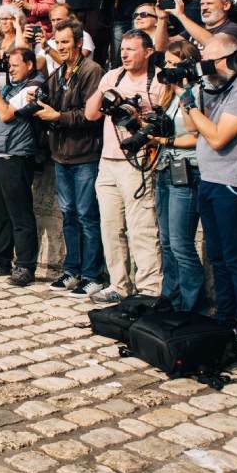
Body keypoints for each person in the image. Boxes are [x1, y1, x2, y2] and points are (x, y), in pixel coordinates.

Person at [181, 33, 237, 360]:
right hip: (211, 180)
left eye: (211, 61)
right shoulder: (214, 87)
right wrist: (190, 96)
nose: (206, 68)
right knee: (217, 258)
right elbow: (193, 130)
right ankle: (225, 320)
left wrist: (189, 103)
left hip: (234, 183)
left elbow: (217, 137)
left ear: (232, 59)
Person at [84, 29, 164, 304]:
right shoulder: (112, 76)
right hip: (108, 161)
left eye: (132, 49)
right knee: (110, 226)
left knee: (141, 228)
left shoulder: (157, 82)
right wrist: (107, 93)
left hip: (139, 162)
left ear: (148, 52)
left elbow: (161, 124)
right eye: (123, 49)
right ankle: (119, 284)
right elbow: (90, 114)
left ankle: (149, 289)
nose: (125, 54)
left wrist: (135, 115)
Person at [32, 21, 105, 296]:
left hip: (85, 154)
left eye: (65, 42)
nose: (60, 47)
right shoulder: (60, 72)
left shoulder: (92, 71)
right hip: (61, 154)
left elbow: (90, 115)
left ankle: (92, 274)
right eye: (57, 42)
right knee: (69, 215)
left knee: (87, 216)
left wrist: (57, 117)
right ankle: (72, 270)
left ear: (77, 42)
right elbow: (49, 102)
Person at [0, 47, 45, 285]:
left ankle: (25, 266)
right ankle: (0, 259)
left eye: (16, 65)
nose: (12, 69)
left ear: (29, 65)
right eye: (10, 65)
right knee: (1, 214)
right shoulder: (8, 85)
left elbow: (6, 114)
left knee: (20, 214)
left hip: (15, 157)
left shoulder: (32, 88)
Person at [151, 40, 206, 313]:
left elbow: (197, 135)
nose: (168, 70)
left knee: (182, 244)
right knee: (167, 242)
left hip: (187, 169)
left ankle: (191, 306)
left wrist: (166, 141)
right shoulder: (168, 94)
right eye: (167, 64)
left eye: (174, 65)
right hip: (164, 168)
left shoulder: (195, 92)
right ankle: (169, 299)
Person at [157, 0, 237, 51]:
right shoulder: (195, 29)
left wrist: (180, 15)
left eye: (209, 3)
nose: (204, 8)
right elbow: (162, 47)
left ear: (226, 5)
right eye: (202, 4)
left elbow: (213, 43)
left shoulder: (235, 28)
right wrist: (162, 19)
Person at [34, 4, 95, 75]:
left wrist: (48, 48)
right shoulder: (50, 42)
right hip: (55, 84)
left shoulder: (83, 36)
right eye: (53, 20)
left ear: (71, 19)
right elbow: (38, 63)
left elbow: (76, 65)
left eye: (59, 19)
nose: (55, 24)